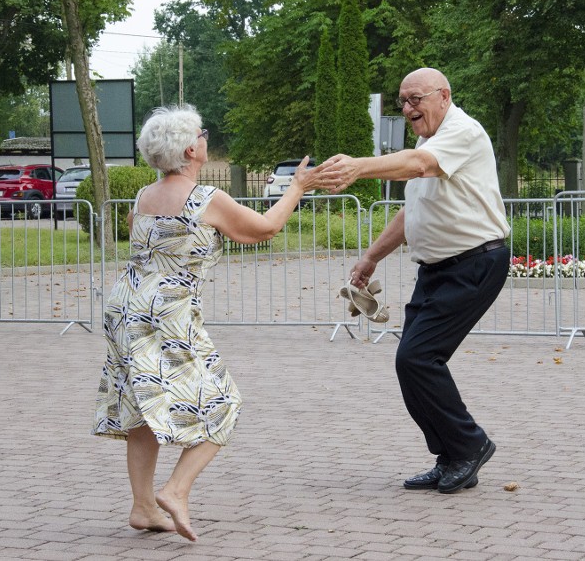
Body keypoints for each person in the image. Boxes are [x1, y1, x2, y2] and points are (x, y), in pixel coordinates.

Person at [92, 104, 338, 541]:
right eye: (202, 133)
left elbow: (143, 233)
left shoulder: (144, 196)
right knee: (223, 405)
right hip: (168, 312)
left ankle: (143, 507)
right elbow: (264, 229)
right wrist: (298, 186)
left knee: (141, 409)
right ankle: (176, 490)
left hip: (126, 305)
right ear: (191, 149)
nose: (206, 138)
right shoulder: (206, 199)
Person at [327, 67, 510, 494]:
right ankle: (451, 456)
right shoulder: (429, 140)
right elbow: (414, 212)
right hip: (438, 268)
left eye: (416, 99)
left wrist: (359, 167)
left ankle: (470, 445)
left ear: (444, 96)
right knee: (412, 363)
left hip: (474, 263)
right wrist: (371, 257)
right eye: (402, 101)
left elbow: (420, 165)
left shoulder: (461, 133)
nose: (408, 109)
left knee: (417, 358)